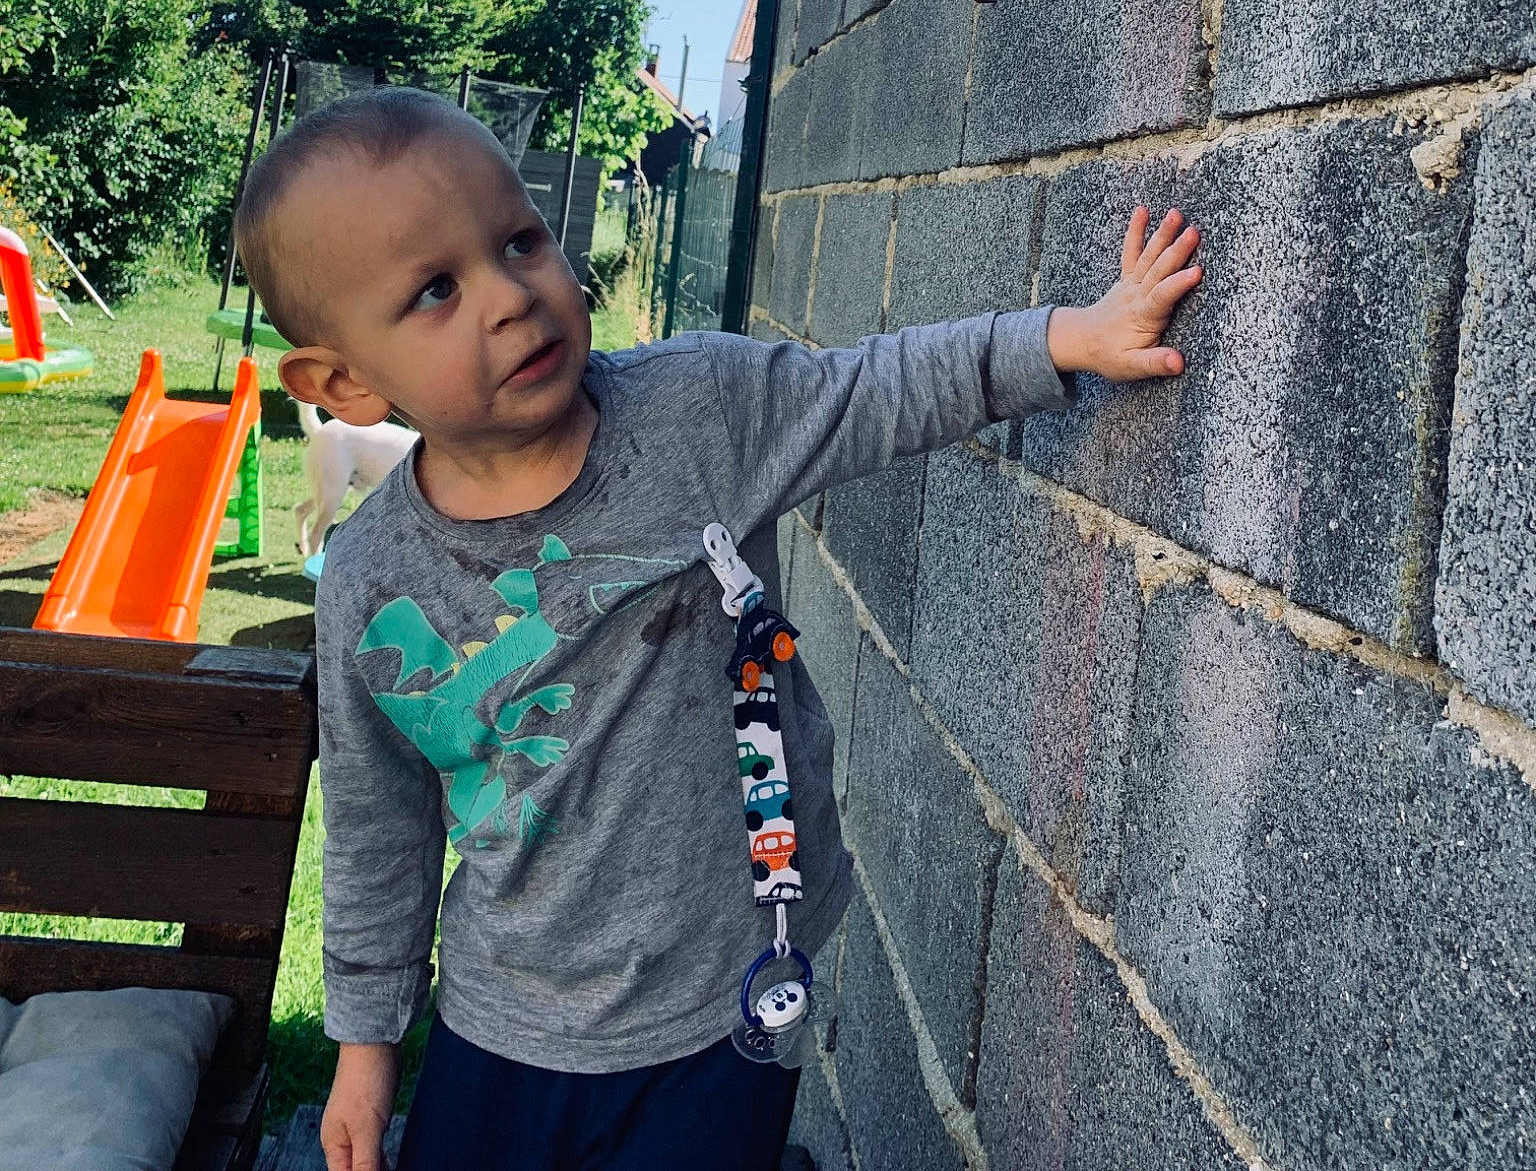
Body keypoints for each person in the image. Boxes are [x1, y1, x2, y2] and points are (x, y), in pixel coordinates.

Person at [234, 88, 1202, 1171]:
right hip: (501, 1018)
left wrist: (1076, 334)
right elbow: (376, 819)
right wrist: (366, 1046)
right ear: (344, 382)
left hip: (723, 1004)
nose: (511, 296)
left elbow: (878, 387)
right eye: (434, 290)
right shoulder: (371, 581)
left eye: (519, 239)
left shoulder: (698, 411)